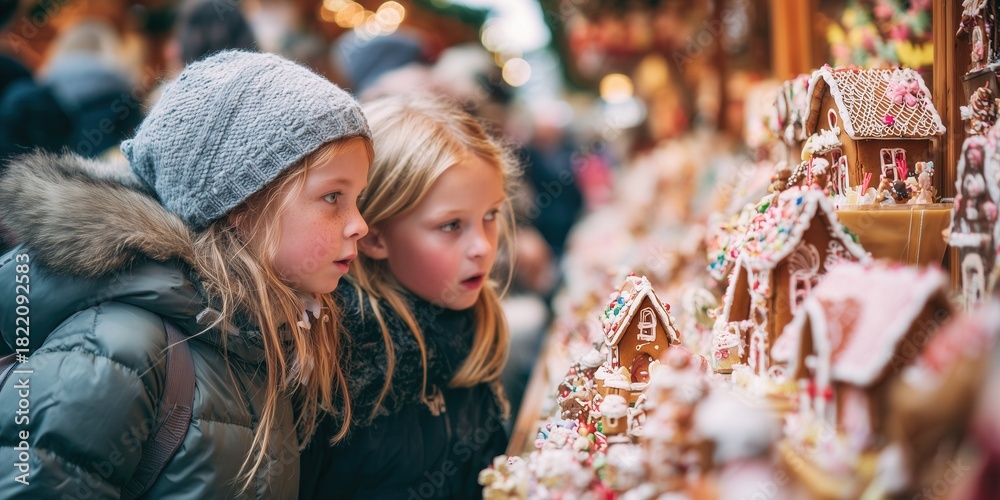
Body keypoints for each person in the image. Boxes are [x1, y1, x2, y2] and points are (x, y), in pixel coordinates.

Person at [0, 50, 371, 498]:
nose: (360, 224)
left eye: (357, 199)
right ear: (239, 203)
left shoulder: (265, 331)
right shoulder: (118, 351)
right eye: (333, 197)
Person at [300, 95, 515, 499]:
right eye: (451, 225)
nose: (484, 247)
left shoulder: (468, 324)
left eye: (491, 216)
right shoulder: (339, 361)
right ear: (376, 236)